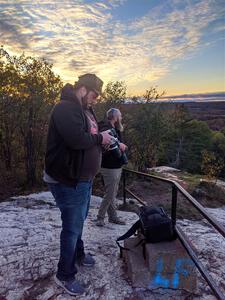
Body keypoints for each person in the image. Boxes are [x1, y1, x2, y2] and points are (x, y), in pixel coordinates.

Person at [44, 74, 112, 296]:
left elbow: (90, 136)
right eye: (94, 95)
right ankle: (64, 274)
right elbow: (76, 139)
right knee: (72, 228)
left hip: (83, 180)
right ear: (83, 89)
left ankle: (79, 254)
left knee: (79, 222)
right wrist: (100, 140)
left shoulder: (85, 109)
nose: (95, 100)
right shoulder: (65, 108)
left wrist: (106, 143)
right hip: (68, 180)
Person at [96, 108, 127, 227]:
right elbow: (105, 140)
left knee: (113, 193)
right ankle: (100, 217)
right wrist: (120, 144)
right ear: (115, 116)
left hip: (116, 165)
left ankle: (113, 217)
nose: (121, 117)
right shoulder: (105, 127)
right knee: (110, 194)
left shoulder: (115, 128)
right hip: (109, 166)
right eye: (120, 115)